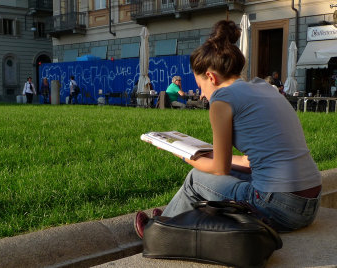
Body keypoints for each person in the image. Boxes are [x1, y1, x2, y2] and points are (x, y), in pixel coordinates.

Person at [134, 20, 321, 238]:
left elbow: (219, 169)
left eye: (202, 86)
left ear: (211, 77)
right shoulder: (264, 87)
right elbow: (247, 163)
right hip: (311, 203)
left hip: (278, 207)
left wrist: (181, 153)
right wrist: (207, 152)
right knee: (220, 172)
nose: (202, 95)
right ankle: (173, 216)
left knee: (196, 178)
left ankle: (158, 232)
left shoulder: (222, 99)